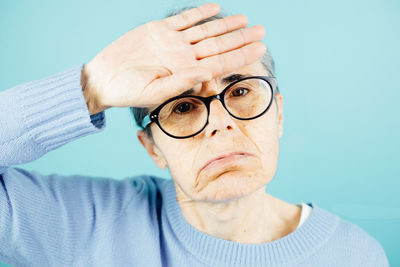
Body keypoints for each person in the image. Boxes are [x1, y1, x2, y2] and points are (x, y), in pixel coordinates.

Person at [0, 3, 389, 267]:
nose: (221, 122)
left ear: (279, 113)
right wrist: (90, 88)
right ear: (153, 148)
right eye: (182, 107)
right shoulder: (87, 226)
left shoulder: (355, 255)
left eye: (240, 91)